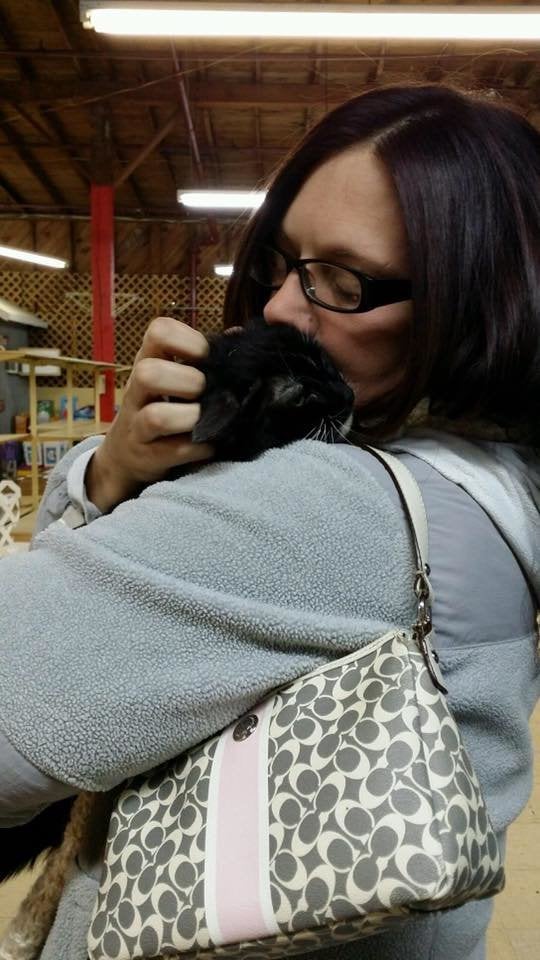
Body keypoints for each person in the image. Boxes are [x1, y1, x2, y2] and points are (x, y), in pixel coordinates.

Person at [0, 83, 539, 960]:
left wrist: (98, 487)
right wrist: (116, 470)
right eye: (286, 263)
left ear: (478, 304)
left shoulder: (334, 507)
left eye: (344, 280)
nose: (285, 307)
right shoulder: (493, 486)